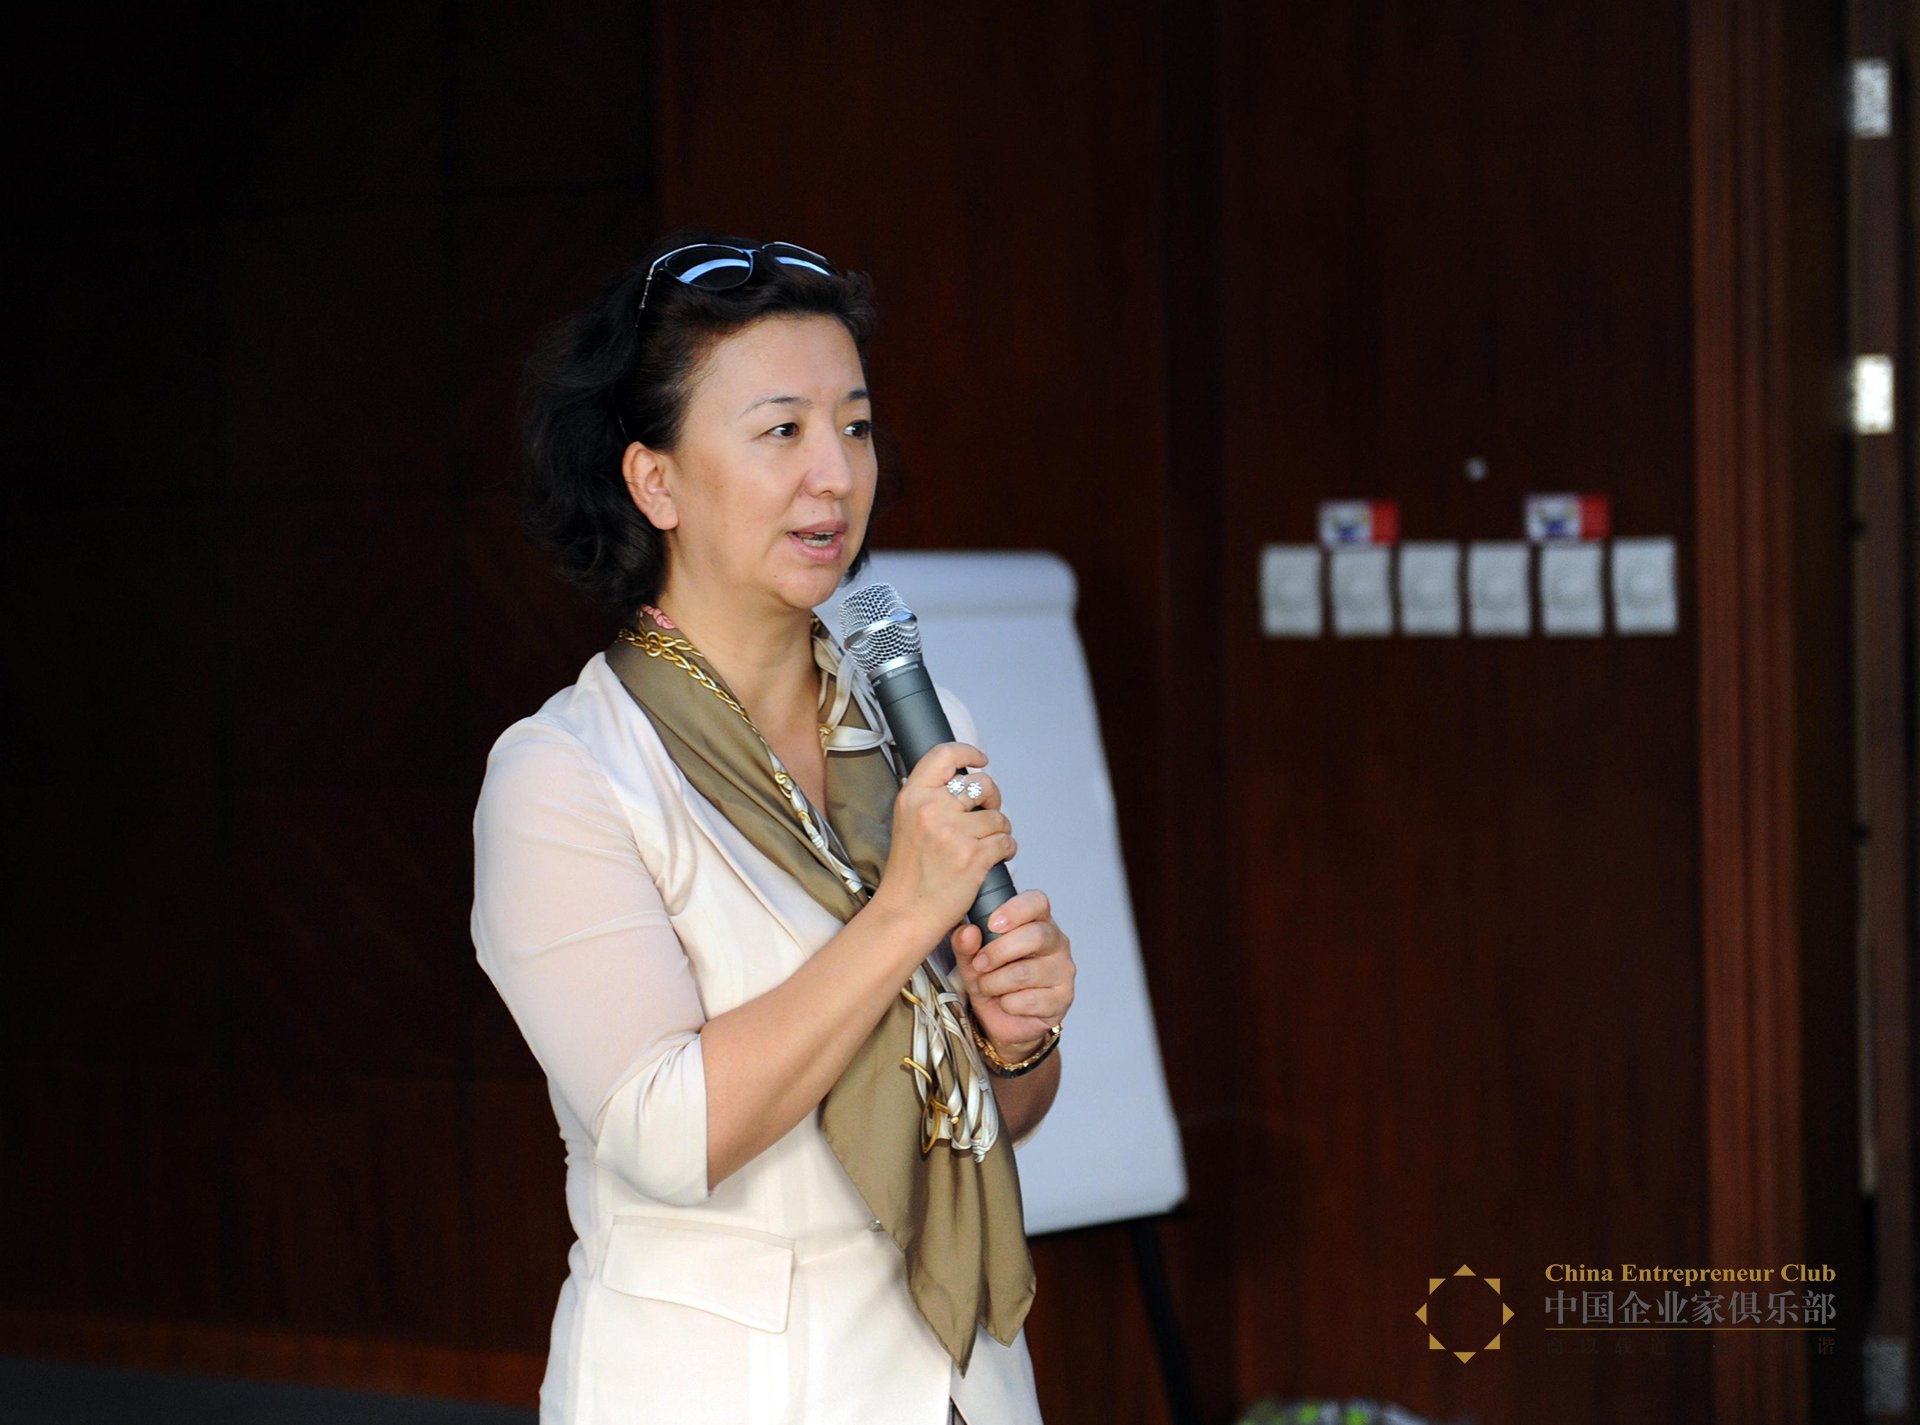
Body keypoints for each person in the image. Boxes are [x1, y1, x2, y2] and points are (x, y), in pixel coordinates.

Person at [471, 231, 1077, 1425]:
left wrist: (1015, 1041)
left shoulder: (918, 720)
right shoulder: (567, 775)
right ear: (655, 483)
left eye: (855, 426)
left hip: (962, 1385)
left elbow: (978, 1119)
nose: (835, 475)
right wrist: (904, 912)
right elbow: (666, 1134)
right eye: (782, 430)